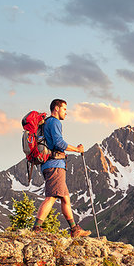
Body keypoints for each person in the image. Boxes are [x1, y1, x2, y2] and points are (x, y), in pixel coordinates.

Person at [33, 99, 91, 238]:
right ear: (57, 108)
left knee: (65, 198)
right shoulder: (54, 122)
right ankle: (36, 228)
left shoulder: (45, 123)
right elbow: (59, 143)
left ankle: (74, 229)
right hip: (55, 164)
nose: (66, 112)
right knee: (52, 197)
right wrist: (77, 149)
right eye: (64, 109)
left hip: (49, 164)